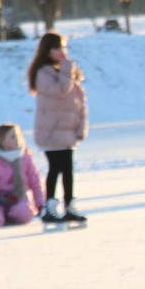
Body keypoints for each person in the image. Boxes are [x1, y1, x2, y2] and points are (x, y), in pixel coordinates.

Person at [27, 32, 89, 224]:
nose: (61, 52)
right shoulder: (44, 73)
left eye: (63, 47)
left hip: (67, 130)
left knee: (68, 169)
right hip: (51, 131)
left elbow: (79, 102)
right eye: (56, 48)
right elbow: (61, 91)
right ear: (47, 51)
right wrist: (67, 68)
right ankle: (50, 206)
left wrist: (80, 126)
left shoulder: (65, 71)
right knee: (55, 168)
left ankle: (70, 205)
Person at [0, 123, 46, 228]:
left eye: (18, 136)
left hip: (19, 198)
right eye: (13, 137)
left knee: (24, 212)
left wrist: (40, 205)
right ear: (2, 141)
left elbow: (36, 183)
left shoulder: (25, 156)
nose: (17, 139)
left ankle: (6, 217)